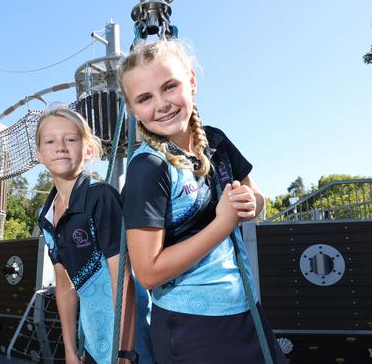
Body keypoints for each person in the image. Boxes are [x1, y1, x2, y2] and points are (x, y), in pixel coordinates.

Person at [117, 40, 286, 364]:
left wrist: (252, 203)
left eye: (170, 87)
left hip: (246, 308)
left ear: (191, 81)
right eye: (145, 98)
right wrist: (223, 222)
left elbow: (257, 196)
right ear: (133, 108)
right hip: (192, 327)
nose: (162, 104)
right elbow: (149, 272)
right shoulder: (148, 168)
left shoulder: (217, 141)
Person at [35, 105, 152, 364]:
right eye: (50, 140)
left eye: (71, 139)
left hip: (128, 330)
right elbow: (64, 285)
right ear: (39, 154)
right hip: (94, 332)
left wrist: (125, 352)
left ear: (87, 150)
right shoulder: (47, 215)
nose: (60, 146)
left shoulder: (101, 197)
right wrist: (69, 351)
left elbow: (122, 279)